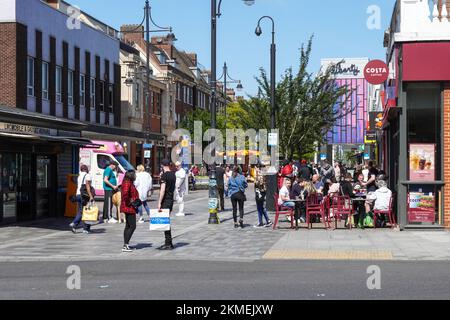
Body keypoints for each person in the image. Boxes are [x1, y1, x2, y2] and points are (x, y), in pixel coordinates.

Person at [157, 159, 176, 250]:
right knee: (166, 220)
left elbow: (162, 190)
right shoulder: (173, 174)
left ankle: (168, 243)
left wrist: (159, 202)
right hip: (171, 200)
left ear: (162, 165)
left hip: (165, 200)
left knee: (165, 221)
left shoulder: (164, 176)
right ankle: (169, 242)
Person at [70, 164, 94, 234]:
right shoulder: (87, 175)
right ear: (86, 169)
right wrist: (91, 196)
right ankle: (83, 227)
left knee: (81, 211)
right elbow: (88, 187)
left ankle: (76, 225)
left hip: (78, 194)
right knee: (87, 212)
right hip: (84, 196)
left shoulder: (80, 176)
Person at [120, 170, 139, 253]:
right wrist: (131, 202)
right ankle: (125, 245)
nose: (135, 176)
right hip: (129, 207)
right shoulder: (127, 182)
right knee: (132, 226)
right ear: (131, 175)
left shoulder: (128, 182)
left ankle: (126, 244)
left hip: (128, 206)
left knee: (128, 225)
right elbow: (125, 194)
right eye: (134, 174)